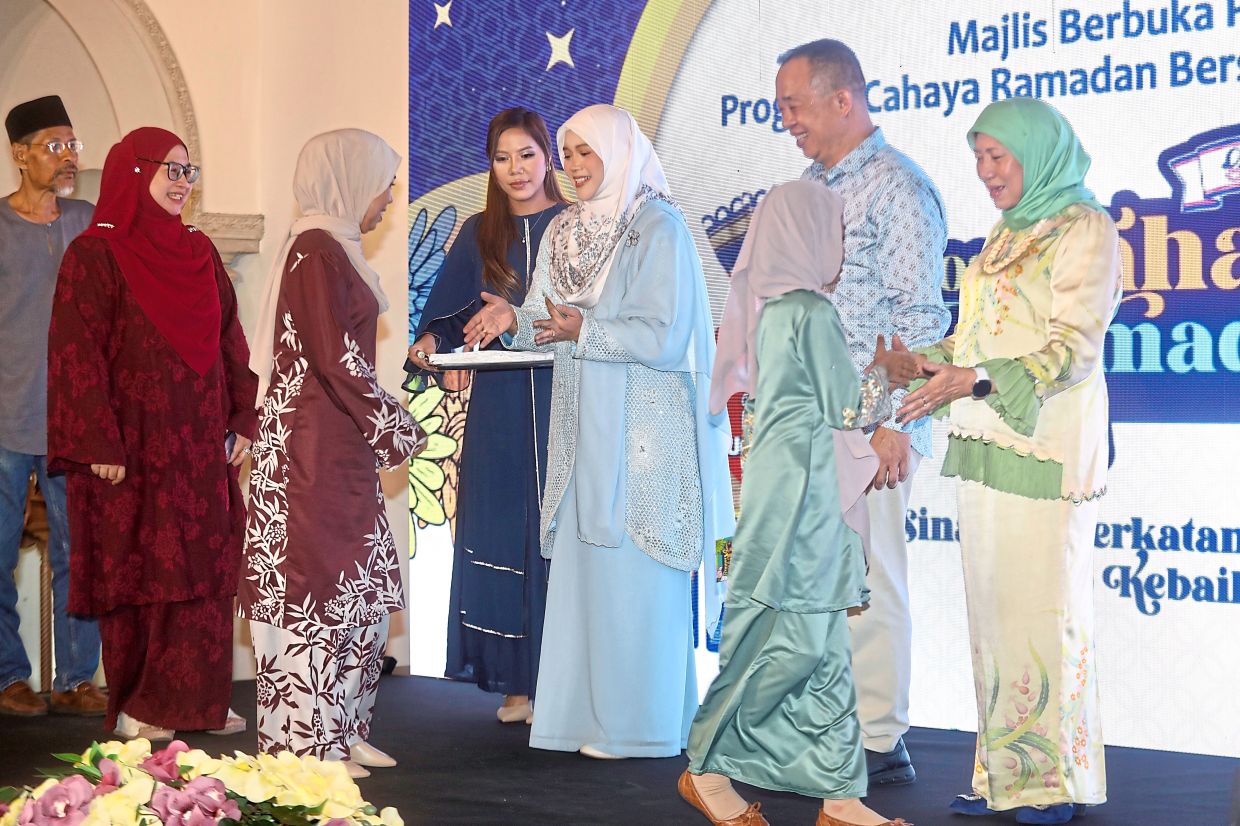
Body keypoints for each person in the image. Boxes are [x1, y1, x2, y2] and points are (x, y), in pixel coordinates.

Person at [463, 103, 733, 760]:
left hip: (644, 435)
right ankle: (584, 720)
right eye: (571, 153)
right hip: (585, 429)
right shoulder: (566, 232)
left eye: (589, 153)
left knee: (637, 578)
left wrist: (588, 331)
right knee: (590, 578)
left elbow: (665, 336)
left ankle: (640, 728)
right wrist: (512, 320)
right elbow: (542, 318)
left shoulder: (657, 227)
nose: (579, 167)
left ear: (619, 151)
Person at [897, 97, 1119, 824]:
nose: (986, 172)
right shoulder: (1005, 231)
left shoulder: (1085, 227)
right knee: (996, 615)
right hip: (990, 442)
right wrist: (925, 364)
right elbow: (978, 341)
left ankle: (1050, 783)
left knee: (1041, 614)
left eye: (999, 157)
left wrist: (978, 378)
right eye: (979, 159)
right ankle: (1005, 773)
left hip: (1046, 449)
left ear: (1038, 150)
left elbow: (1074, 346)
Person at [681, 181, 915, 826]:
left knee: (822, 645)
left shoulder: (773, 309)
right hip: (801, 504)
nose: (840, 245)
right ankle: (706, 765)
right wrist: (887, 375)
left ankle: (841, 795)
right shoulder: (808, 310)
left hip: (790, 490)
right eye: (835, 230)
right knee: (795, 644)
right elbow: (850, 408)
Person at [775, 38, 950, 785]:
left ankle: (879, 737)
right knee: (814, 583)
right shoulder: (809, 188)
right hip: (809, 419)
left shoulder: (897, 189)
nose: (786, 120)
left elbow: (920, 319)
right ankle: (824, 723)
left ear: (842, 99)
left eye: (794, 105)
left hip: (872, 423)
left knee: (871, 582)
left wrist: (897, 426)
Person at [47, 127, 257, 740]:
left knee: (204, 572)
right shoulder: (94, 255)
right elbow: (74, 354)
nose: (180, 182)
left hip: (199, 446)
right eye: (167, 169)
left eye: (187, 170)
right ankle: (142, 704)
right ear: (131, 173)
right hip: (130, 451)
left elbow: (230, 340)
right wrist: (96, 444)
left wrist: (243, 415)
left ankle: (199, 702)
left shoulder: (200, 251)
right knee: (143, 574)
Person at [241, 129, 425, 779]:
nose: (389, 197)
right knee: (313, 598)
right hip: (307, 459)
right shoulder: (317, 250)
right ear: (351, 178)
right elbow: (334, 356)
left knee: (361, 595)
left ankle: (342, 729)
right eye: (386, 181)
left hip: (338, 452)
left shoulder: (333, 246)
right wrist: (396, 428)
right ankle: (303, 744)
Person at [407, 107, 567, 725]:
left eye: (526, 154)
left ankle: (563, 680)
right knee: (504, 530)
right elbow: (446, 314)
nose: (515, 170)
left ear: (547, 156)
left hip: (565, 400)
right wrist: (429, 345)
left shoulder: (575, 225)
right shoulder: (480, 231)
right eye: (502, 158)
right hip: (499, 410)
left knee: (559, 535)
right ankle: (515, 683)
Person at [0, 95, 104, 718]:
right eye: (55, 146)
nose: (69, 158)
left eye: (73, 145)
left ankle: (73, 678)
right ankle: (9, 676)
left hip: (76, 425)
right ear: (20, 154)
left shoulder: (89, 220)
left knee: (80, 553)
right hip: (5, 423)